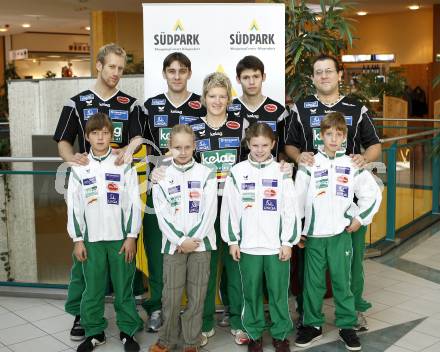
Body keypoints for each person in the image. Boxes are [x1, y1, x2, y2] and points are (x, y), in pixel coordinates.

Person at [53, 43, 144, 341]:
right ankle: (82, 315)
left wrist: (128, 151)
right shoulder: (76, 102)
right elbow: (64, 141)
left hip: (116, 182)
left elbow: (138, 136)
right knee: (84, 262)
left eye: (121, 68)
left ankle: (126, 320)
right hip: (88, 180)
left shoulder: (129, 103)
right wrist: (72, 160)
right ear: (99, 66)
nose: (116, 73)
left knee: (119, 262)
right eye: (112, 67)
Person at [285, 54, 381, 331]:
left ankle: (353, 311)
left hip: (346, 201)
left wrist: (366, 158)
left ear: (340, 75)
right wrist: (299, 156)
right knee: (309, 266)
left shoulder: (356, 108)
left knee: (350, 265)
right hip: (315, 198)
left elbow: (373, 144)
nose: (324, 76)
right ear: (313, 78)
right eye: (318, 72)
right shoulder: (300, 108)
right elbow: (290, 145)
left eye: (329, 71)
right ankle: (307, 312)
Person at [294, 112, 381, 351]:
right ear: (320, 136)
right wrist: (298, 230)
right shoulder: (309, 163)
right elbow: (296, 199)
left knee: (343, 282)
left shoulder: (352, 164)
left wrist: (359, 218)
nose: (333, 139)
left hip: (341, 234)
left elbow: (372, 194)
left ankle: (346, 325)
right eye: (329, 134)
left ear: (345, 137)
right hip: (314, 235)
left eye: (338, 134)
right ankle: (312, 325)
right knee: (313, 284)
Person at [221, 122, 301, 352]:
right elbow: (229, 209)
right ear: (247, 144)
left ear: (273, 144)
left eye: (264, 145)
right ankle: (254, 333)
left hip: (276, 247)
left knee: (278, 293)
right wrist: (233, 240)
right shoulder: (237, 172)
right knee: (251, 293)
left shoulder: (281, 171)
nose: (259, 149)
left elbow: (290, 209)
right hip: (247, 247)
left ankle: (280, 334)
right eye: (255, 145)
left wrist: (288, 242)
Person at [66, 113, 143, 352]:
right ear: (87, 137)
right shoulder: (79, 168)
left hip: (120, 239)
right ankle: (94, 331)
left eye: (105, 133)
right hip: (91, 241)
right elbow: (74, 206)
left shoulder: (123, 163)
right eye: (95, 133)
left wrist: (131, 236)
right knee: (93, 288)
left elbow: (133, 203)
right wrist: (78, 240)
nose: (101, 137)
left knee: (124, 288)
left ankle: (127, 331)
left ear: (112, 135)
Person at [142, 52, 206, 332]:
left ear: (189, 73)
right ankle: (157, 307)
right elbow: (140, 140)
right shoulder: (151, 106)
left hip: (195, 188)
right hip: (162, 186)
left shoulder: (201, 105)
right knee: (160, 251)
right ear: (164, 73)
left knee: (196, 248)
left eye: (182, 71)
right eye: (171, 71)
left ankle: (195, 316)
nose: (177, 76)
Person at [188, 72, 250, 346]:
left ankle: (239, 321)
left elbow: (256, 161)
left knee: (236, 265)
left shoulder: (241, 126)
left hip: (235, 205)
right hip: (204, 207)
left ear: (229, 99)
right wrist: (160, 173)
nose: (217, 101)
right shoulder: (191, 127)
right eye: (212, 96)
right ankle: (204, 323)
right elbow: (179, 161)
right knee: (205, 268)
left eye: (222, 96)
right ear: (204, 98)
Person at [148, 125, 217, 352]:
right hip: (173, 246)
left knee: (197, 297)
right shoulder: (161, 175)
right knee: (171, 296)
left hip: (200, 245)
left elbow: (210, 213)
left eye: (188, 146)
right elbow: (162, 213)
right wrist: (180, 240)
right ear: (170, 148)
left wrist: (193, 240)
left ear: (195, 146)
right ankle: (166, 340)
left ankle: (191, 341)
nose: (183, 151)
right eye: (177, 147)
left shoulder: (206, 173)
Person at [232, 55, 289, 160]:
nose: (252, 82)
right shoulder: (228, 110)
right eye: (246, 77)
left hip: (271, 173)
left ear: (264, 77)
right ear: (238, 79)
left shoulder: (279, 111)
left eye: (256, 76)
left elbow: (285, 149)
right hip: (239, 173)